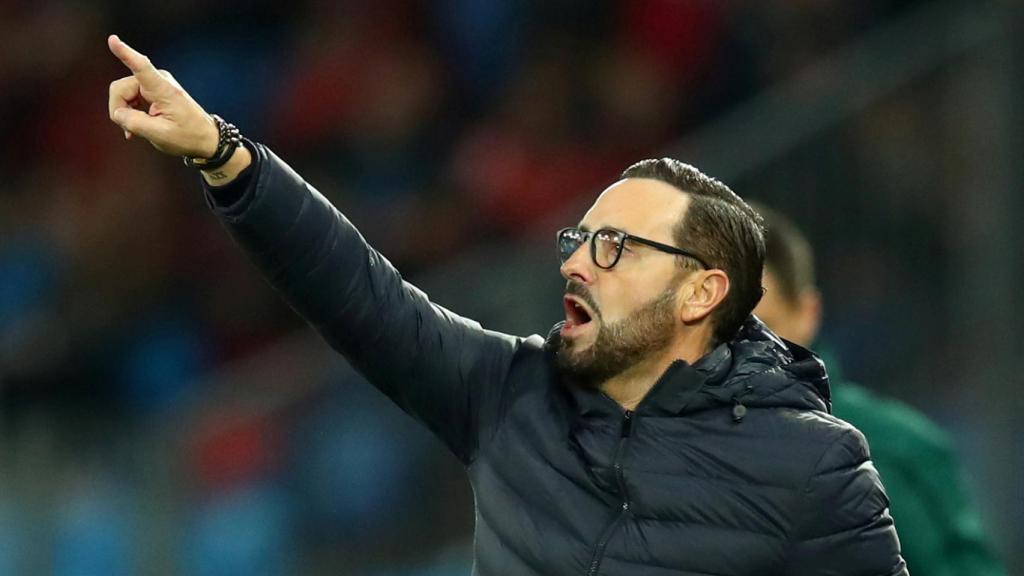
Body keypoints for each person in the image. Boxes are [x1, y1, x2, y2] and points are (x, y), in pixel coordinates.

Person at [106, 35, 908, 575]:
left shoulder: (813, 468)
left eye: (615, 247)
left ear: (701, 292)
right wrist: (224, 155)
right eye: (578, 240)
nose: (578, 264)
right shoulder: (510, 395)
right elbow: (358, 291)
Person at [752, 203, 1006, 576]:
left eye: (760, 327)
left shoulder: (893, 449)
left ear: (807, 313)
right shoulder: (664, 452)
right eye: (716, 327)